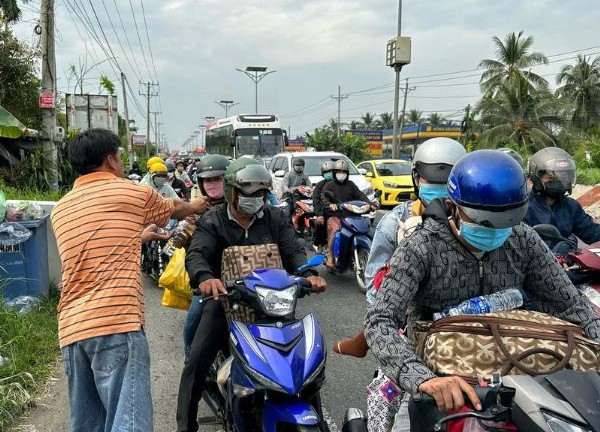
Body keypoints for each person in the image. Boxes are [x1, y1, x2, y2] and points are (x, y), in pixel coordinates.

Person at [364, 150, 600, 414]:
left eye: (505, 222)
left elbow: (571, 306)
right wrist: (422, 378)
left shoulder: (523, 239)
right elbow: (380, 320)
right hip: (440, 371)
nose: (495, 232)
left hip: (516, 368)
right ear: (453, 207)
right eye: (483, 222)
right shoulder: (420, 247)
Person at [50, 128, 209, 432]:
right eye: (120, 157)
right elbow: (173, 208)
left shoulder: (62, 208)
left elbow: (95, 248)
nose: (122, 163)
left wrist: (137, 237)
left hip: (72, 330)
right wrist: (196, 206)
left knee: (87, 425)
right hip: (115, 323)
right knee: (128, 423)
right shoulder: (129, 191)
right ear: (111, 160)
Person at [176, 158, 327, 432]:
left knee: (306, 365)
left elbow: (293, 252)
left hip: (274, 307)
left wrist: (307, 276)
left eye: (260, 192)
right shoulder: (213, 220)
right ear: (233, 192)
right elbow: (198, 254)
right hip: (226, 306)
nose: (255, 199)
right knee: (196, 363)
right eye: (248, 192)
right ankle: (185, 426)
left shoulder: (275, 217)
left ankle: (319, 416)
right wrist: (206, 278)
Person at [333, 137, 466, 432]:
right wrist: (392, 325)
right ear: (417, 179)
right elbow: (376, 284)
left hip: (466, 336)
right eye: (433, 180)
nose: (440, 189)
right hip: (408, 336)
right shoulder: (396, 222)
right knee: (387, 404)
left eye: (448, 181)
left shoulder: (473, 219)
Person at [181, 154, 231, 354]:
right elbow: (194, 249)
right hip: (209, 278)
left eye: (217, 179)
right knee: (192, 327)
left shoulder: (240, 205)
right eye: (207, 180)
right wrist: (184, 236)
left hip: (245, 275)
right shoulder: (196, 209)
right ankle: (191, 364)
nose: (212, 184)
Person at [524, 147, 600, 254]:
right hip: (535, 266)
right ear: (536, 177)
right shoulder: (523, 207)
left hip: (568, 265)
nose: (559, 181)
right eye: (551, 177)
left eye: (563, 176)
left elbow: (592, 232)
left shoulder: (571, 206)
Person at [321, 159, 374, 269]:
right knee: (335, 229)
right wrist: (330, 204)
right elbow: (324, 198)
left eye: (344, 172)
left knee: (368, 229)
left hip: (351, 214)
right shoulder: (329, 186)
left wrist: (369, 204)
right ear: (334, 173)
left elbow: (361, 196)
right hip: (335, 215)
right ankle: (330, 256)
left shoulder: (351, 185)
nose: (341, 174)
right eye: (339, 172)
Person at [312, 160, 335, 253]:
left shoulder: (341, 183)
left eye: (330, 171)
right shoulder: (320, 185)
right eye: (326, 172)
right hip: (325, 210)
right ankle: (320, 245)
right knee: (320, 224)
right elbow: (316, 200)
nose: (328, 174)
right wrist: (320, 214)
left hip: (340, 210)